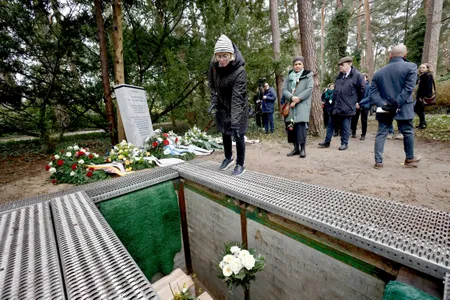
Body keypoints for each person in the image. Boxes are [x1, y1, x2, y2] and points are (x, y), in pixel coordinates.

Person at [367, 44, 422, 169]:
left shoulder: (378, 73)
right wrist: (396, 103)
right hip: (403, 106)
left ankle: (378, 162)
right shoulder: (411, 67)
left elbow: (373, 94)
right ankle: (409, 158)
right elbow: (408, 89)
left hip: (384, 108)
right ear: (405, 55)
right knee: (407, 131)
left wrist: (384, 104)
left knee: (381, 133)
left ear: (390, 56)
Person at [208, 34, 248, 176]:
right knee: (224, 131)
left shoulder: (240, 71)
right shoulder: (214, 66)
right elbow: (212, 85)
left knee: (238, 133)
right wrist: (214, 101)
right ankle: (228, 157)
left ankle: (240, 164)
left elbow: (237, 97)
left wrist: (236, 121)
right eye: (218, 56)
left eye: (225, 56)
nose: (221, 60)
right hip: (222, 104)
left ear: (231, 54)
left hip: (238, 105)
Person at [319, 56, 365, 150]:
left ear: (349, 64)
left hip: (348, 105)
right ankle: (327, 141)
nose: (340, 67)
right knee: (331, 124)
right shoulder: (340, 75)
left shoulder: (357, 76)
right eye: (339, 65)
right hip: (336, 104)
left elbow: (362, 90)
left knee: (345, 125)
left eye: (342, 65)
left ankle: (344, 143)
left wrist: (355, 101)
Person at [282, 56, 313, 158]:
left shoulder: (308, 76)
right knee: (291, 128)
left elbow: (309, 89)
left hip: (302, 105)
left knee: (301, 128)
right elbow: (284, 90)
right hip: (290, 106)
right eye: (295, 64)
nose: (297, 66)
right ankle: (295, 148)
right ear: (293, 66)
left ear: (303, 65)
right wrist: (291, 97)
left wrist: (298, 99)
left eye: (299, 64)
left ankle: (303, 149)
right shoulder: (289, 77)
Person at [414, 63, 435, 129]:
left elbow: (427, 87)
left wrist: (422, 97)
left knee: (417, 109)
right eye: (420, 67)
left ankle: (423, 123)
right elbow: (416, 83)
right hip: (420, 95)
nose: (421, 69)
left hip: (423, 96)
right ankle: (422, 123)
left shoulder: (428, 75)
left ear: (427, 69)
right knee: (419, 109)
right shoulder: (422, 76)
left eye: (423, 67)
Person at [353, 74, 370, 140]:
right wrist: (356, 103)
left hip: (365, 105)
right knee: (354, 119)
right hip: (357, 105)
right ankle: (353, 132)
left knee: (364, 120)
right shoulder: (358, 86)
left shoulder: (369, 86)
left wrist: (360, 103)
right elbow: (355, 95)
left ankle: (363, 134)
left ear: (367, 78)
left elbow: (369, 97)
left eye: (364, 77)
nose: (362, 78)